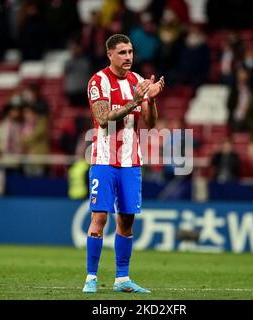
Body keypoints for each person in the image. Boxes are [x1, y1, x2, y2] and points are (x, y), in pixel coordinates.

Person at [82, 34, 165, 294]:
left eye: (130, 52)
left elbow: (150, 124)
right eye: (122, 53)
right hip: (104, 160)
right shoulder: (98, 81)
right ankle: (91, 278)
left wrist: (149, 99)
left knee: (127, 220)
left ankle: (122, 279)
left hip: (131, 162)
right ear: (110, 54)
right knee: (99, 217)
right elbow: (103, 118)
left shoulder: (139, 81)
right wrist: (134, 101)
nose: (128, 57)